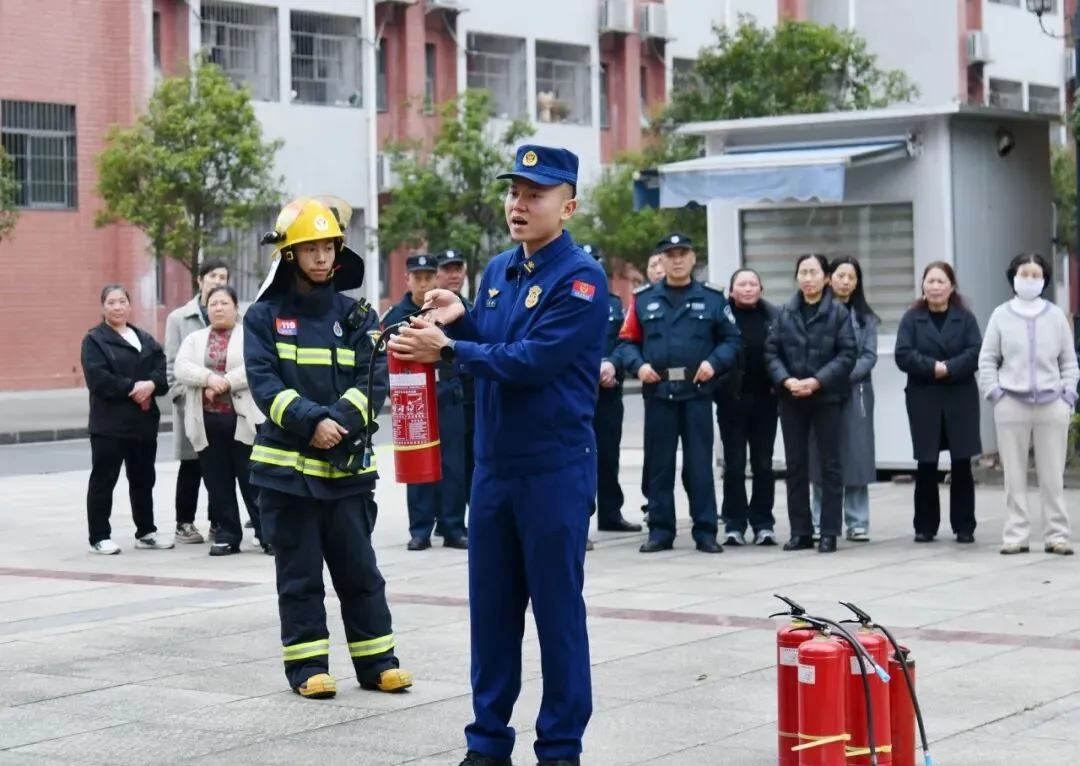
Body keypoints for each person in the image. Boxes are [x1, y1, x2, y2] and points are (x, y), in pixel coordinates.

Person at [387, 144, 607, 766]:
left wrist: (450, 351)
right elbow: (497, 342)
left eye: (534, 194)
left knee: (558, 617)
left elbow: (534, 361)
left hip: (553, 471)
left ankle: (560, 748)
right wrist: (461, 323)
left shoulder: (581, 280)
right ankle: (487, 745)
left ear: (567, 205)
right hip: (494, 471)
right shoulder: (501, 271)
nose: (518, 204)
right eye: (513, 191)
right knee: (492, 616)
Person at [244, 196, 412, 699]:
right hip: (287, 476)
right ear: (289, 255)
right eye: (310, 248)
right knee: (299, 577)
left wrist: (337, 421)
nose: (320, 257)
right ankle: (307, 667)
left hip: (347, 474)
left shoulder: (359, 316)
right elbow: (264, 385)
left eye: (328, 247)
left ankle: (378, 662)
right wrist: (311, 422)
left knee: (361, 572)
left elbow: (373, 378)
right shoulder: (263, 317)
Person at [615, 233, 741, 554]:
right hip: (658, 393)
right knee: (659, 466)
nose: (677, 259)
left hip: (697, 392)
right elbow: (626, 342)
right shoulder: (643, 300)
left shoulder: (712, 299)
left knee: (699, 466)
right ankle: (660, 530)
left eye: (683, 253)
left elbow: (732, 341)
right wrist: (639, 366)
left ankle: (705, 531)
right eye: (670, 255)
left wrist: (714, 363)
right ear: (661, 260)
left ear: (693, 258)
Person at [978, 253, 1078, 556]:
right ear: (1013, 277)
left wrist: (1068, 394)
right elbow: (988, 359)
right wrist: (995, 392)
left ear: (1045, 279)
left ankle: (1057, 534)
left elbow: (1069, 361)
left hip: (1052, 404)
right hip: (1011, 403)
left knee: (1052, 475)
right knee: (1014, 474)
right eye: (1025, 273)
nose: (1030, 279)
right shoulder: (1001, 315)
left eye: (1036, 275)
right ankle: (1016, 534)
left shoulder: (1055, 316)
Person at [764, 254, 857, 554]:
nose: (808, 278)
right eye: (803, 272)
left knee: (830, 464)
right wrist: (787, 380)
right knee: (795, 465)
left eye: (814, 272)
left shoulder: (839, 313)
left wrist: (817, 380)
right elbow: (771, 353)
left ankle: (829, 531)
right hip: (791, 398)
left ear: (826, 278)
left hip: (827, 396)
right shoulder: (785, 313)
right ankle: (800, 531)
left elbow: (847, 354)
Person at [382, 253, 468, 551]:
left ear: (437, 279)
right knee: (417, 460)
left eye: (429, 277)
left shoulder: (450, 309)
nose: (423, 283)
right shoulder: (396, 316)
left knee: (454, 465)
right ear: (407, 280)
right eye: (417, 277)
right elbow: (383, 359)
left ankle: (454, 527)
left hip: (448, 394)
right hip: (413, 397)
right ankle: (420, 529)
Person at [173, 285, 268, 556]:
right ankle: (228, 535)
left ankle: (266, 534)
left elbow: (255, 367)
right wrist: (208, 379)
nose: (218, 308)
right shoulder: (195, 338)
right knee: (217, 483)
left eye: (224, 303)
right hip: (207, 422)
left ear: (235, 307)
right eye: (213, 303)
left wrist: (225, 382)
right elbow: (182, 367)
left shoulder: (250, 335)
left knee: (253, 481)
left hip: (242, 421)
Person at [894, 261, 983, 544]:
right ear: (923, 286)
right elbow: (903, 354)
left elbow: (975, 353)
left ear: (952, 287)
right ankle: (925, 526)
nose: (934, 287)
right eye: (930, 281)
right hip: (925, 397)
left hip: (960, 396)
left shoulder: (965, 319)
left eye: (940, 281)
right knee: (926, 463)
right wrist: (933, 367)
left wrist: (950, 368)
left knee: (961, 463)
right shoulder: (911, 319)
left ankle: (964, 526)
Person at [81, 284, 174, 554]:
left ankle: (146, 531)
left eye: (122, 301)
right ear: (103, 307)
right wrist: (133, 388)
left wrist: (152, 385)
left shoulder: (144, 338)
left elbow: (161, 373)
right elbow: (98, 379)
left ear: (129, 305)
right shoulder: (95, 340)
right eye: (112, 302)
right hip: (109, 425)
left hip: (143, 424)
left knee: (144, 480)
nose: (118, 307)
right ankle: (99, 536)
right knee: (104, 480)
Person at [809, 256, 879, 543]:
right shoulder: (814, 312)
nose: (846, 282)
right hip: (821, 390)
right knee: (820, 455)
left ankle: (857, 520)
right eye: (840, 275)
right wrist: (826, 376)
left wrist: (843, 373)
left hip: (854, 391)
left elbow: (869, 356)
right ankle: (820, 520)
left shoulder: (866, 318)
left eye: (852, 277)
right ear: (828, 278)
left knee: (855, 455)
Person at [164, 260, 230, 544]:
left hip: (225, 403)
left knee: (221, 468)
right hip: (192, 404)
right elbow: (172, 366)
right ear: (200, 280)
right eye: (213, 276)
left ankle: (220, 522)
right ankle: (185, 523)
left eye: (223, 277)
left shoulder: (232, 316)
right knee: (191, 466)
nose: (217, 281)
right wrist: (185, 397)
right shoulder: (180, 318)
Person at [716, 268, 779, 547]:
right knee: (734, 465)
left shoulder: (774, 318)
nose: (748, 288)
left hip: (766, 399)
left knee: (764, 465)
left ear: (761, 289)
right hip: (732, 401)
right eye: (742, 284)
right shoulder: (722, 317)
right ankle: (734, 523)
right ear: (731, 291)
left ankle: (763, 523)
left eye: (753, 283)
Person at [586, 243, 641, 543]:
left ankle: (610, 513)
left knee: (609, 454)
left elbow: (625, 341)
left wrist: (611, 364)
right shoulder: (565, 301)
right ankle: (579, 521)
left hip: (608, 391)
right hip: (577, 391)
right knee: (578, 458)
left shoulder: (613, 303)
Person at [436, 249, 476, 521]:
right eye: (447, 269)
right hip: (442, 395)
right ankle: (448, 523)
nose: (454, 275)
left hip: (472, 394)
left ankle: (472, 519)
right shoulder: (429, 311)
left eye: (458, 268)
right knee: (449, 464)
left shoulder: (473, 309)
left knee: (472, 462)